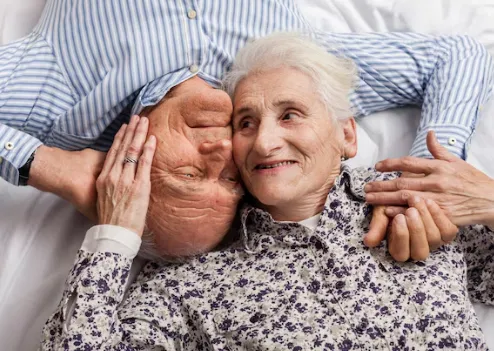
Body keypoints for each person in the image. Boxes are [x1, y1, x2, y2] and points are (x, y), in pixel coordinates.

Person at [41, 33, 494, 350]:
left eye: (291, 114)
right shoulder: (189, 280)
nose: (265, 141)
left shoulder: (416, 200)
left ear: (347, 136)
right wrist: (116, 232)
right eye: (246, 123)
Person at [1, 1, 492, 257]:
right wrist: (428, 176)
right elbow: (459, 54)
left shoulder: (61, 97)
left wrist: (49, 168)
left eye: (191, 175)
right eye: (234, 177)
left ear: (122, 168)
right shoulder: (287, 83)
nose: (220, 147)